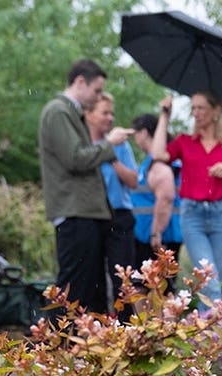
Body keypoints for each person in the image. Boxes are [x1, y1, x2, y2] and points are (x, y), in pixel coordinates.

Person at [38, 59, 131, 315]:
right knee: (73, 289)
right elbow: (75, 158)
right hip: (74, 212)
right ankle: (55, 348)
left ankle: (81, 348)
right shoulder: (58, 111)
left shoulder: (70, 112)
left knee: (89, 289)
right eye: (97, 90)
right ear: (80, 82)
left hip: (85, 212)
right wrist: (109, 143)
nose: (99, 96)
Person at [151, 90, 222, 303]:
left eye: (200, 107)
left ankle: (207, 330)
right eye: (192, 108)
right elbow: (158, 154)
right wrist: (164, 116)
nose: (195, 113)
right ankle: (212, 333)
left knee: (216, 277)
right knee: (208, 278)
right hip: (192, 215)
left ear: (215, 111)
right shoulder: (185, 142)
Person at [83, 92, 138, 313]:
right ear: (89, 114)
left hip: (120, 215)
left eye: (112, 113)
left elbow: (133, 181)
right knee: (93, 278)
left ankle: (126, 333)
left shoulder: (121, 145)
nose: (110, 118)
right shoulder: (82, 147)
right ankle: (98, 332)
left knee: (122, 279)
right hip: (91, 216)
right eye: (105, 113)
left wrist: (111, 155)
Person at [129, 113, 182, 276]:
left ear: (144, 133)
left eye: (135, 133)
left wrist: (156, 233)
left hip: (158, 236)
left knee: (156, 288)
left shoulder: (160, 161)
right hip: (149, 233)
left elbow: (166, 198)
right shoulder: (151, 161)